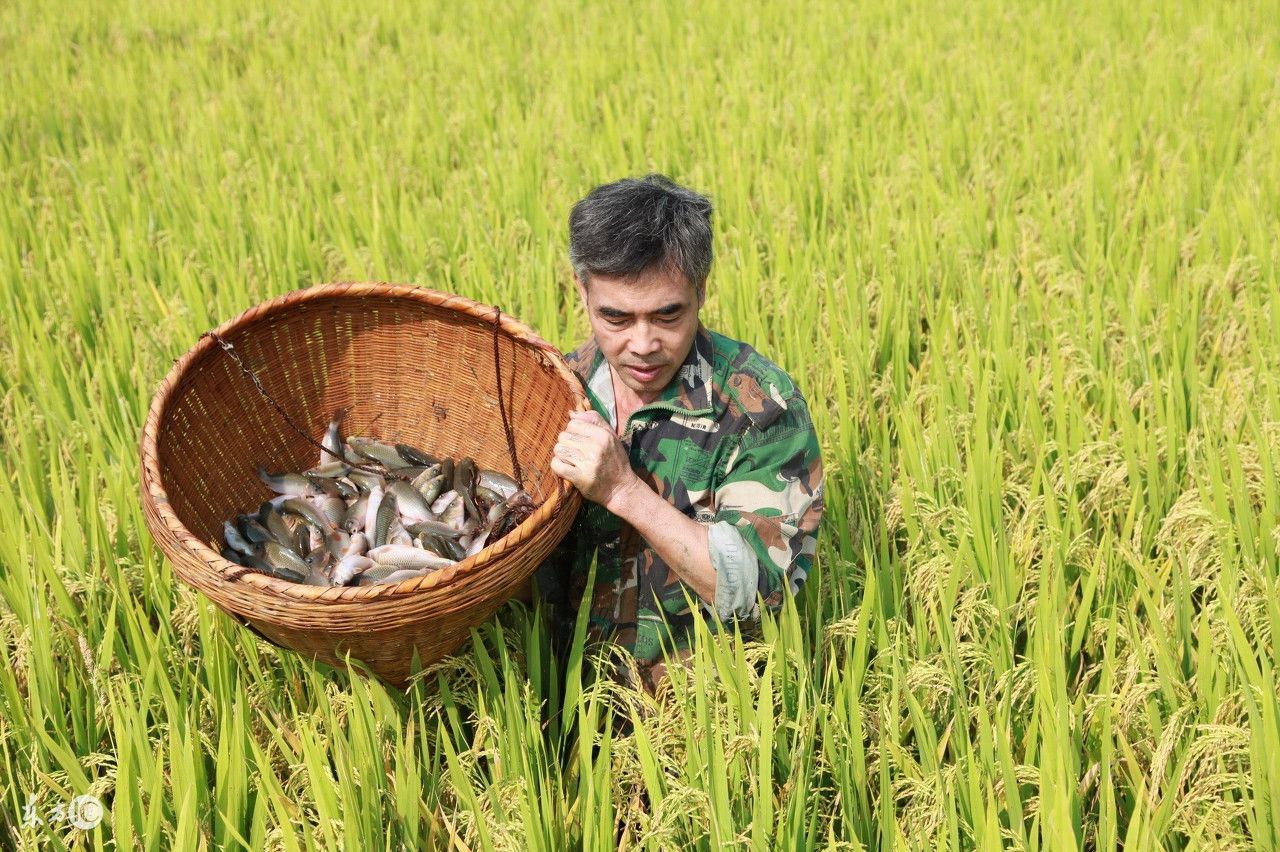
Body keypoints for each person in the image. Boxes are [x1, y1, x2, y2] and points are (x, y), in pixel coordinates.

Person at [528, 174, 824, 691]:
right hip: (565, 699)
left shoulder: (758, 410)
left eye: (667, 315)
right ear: (582, 292)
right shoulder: (555, 391)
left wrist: (623, 491)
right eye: (615, 318)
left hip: (704, 719)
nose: (642, 344)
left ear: (701, 289)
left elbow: (754, 590)